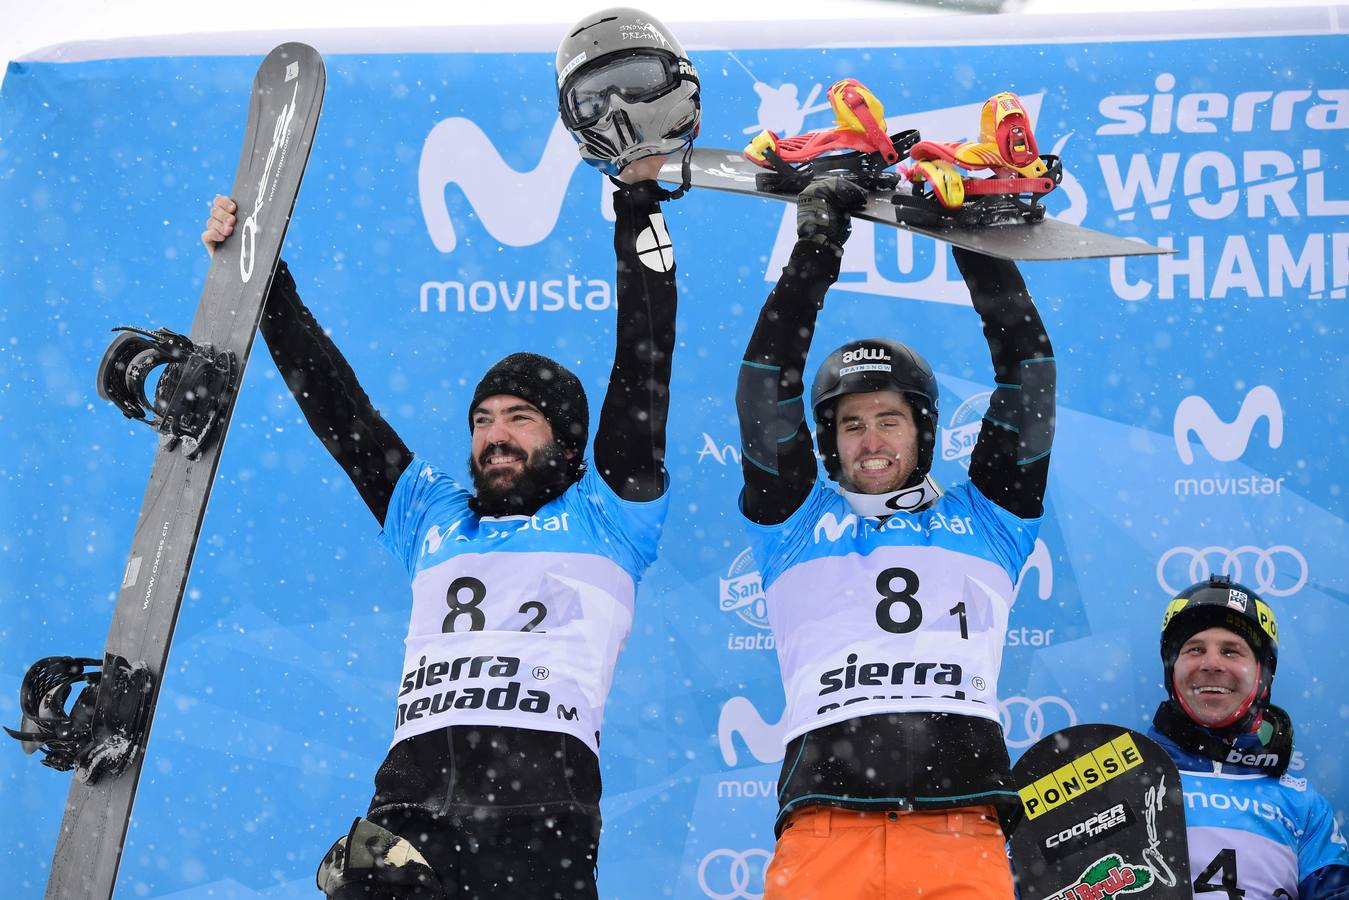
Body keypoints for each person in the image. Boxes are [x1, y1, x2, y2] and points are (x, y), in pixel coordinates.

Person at [200, 9, 697, 897]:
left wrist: (637, 208)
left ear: (567, 441)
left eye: (520, 419)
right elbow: (337, 407)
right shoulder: (431, 514)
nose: (495, 436)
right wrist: (261, 282)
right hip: (409, 813)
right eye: (481, 420)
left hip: (537, 819)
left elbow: (645, 358)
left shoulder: (609, 513)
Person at [734, 174, 1055, 898]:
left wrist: (972, 239)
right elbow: (763, 386)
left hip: (959, 826)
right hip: (824, 830)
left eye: (888, 419)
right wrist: (816, 248)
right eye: (850, 424)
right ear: (828, 441)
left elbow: (1028, 375)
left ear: (923, 430)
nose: (869, 440)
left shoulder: (989, 519)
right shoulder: (792, 521)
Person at [1149, 575, 1349, 899]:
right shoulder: (1121, 776)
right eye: (1195, 649)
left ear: (1262, 675)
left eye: (1231, 652)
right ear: (1171, 671)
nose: (1211, 664)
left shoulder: (1303, 804)